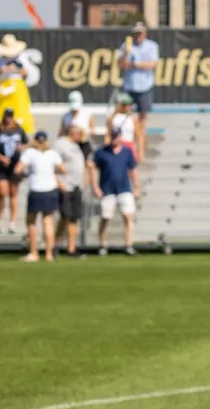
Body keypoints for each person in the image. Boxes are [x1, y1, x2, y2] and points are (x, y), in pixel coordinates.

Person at [91, 127, 140, 255]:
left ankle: (129, 245)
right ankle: (102, 245)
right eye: (113, 136)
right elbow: (94, 169)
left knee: (128, 216)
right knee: (105, 217)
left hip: (124, 188)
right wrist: (95, 187)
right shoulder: (101, 151)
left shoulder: (127, 151)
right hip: (107, 189)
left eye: (117, 136)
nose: (115, 138)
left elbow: (132, 169)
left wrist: (136, 186)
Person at [17, 131, 65, 262]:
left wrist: (28, 173)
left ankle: (34, 253)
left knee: (31, 222)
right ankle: (49, 254)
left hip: (36, 189)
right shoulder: (52, 154)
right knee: (48, 221)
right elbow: (63, 168)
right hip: (50, 189)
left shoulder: (30, 153)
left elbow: (18, 169)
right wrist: (50, 172)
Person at [118, 23, 159, 162]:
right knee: (125, 114)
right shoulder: (126, 46)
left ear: (145, 33)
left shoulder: (152, 46)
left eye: (140, 33)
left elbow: (152, 64)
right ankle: (127, 139)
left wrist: (135, 64)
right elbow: (121, 65)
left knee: (142, 116)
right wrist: (126, 53)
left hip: (144, 86)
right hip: (130, 86)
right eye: (136, 33)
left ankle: (140, 142)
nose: (138, 36)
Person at [51, 126, 88, 258]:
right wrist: (58, 182)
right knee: (65, 216)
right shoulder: (60, 144)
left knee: (74, 217)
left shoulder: (77, 146)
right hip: (65, 185)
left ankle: (71, 248)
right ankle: (55, 245)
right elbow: (51, 164)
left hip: (76, 186)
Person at [1, 107, 27, 233]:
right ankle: (0, 220)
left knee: (13, 192)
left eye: (11, 116)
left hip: (15, 165)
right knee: (2, 192)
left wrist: (21, 147)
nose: (9, 118)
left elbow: (26, 142)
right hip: (2, 166)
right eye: (7, 115)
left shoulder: (18, 129)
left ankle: (13, 222)